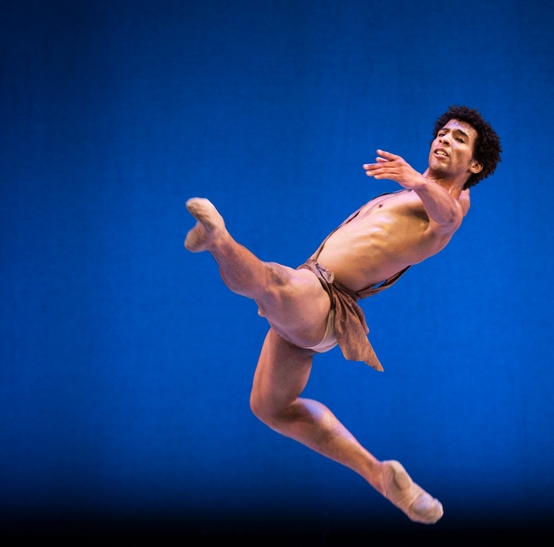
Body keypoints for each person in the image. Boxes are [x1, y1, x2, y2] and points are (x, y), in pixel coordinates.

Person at [184, 105, 501, 523]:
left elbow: (447, 217)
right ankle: (381, 476)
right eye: (443, 132)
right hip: (312, 294)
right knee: (269, 407)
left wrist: (414, 179)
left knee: (272, 282)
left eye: (459, 138)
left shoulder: (451, 204)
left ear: (474, 164)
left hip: (326, 298)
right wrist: (414, 182)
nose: (444, 138)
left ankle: (218, 239)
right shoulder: (412, 193)